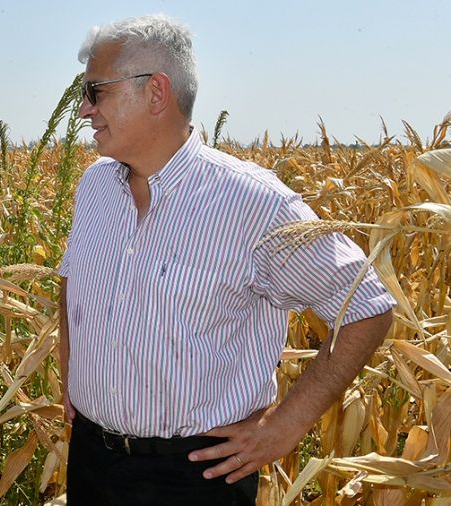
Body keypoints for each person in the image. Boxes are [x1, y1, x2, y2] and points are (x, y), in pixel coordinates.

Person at [57, 15, 395, 505]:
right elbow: (71, 283)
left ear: (156, 92)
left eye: (95, 91)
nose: (85, 109)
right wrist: (72, 375)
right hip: (90, 459)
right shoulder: (94, 189)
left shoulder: (255, 204)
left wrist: (284, 427)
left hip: (194, 476)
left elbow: (367, 307)